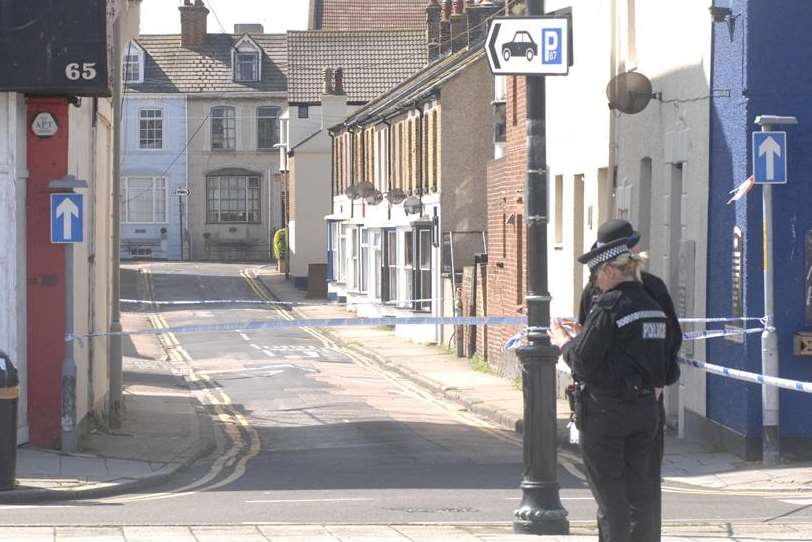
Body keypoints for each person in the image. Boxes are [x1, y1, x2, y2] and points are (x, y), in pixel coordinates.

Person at [549, 237, 670, 542]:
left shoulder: (610, 305)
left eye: (595, 275)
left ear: (611, 271)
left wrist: (563, 341)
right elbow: (664, 362)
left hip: (607, 413)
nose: (594, 282)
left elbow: (582, 361)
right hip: (645, 412)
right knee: (638, 493)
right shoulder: (653, 306)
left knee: (611, 497)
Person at [576, 220, 682, 541]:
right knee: (642, 491)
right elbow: (671, 341)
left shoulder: (604, 295)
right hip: (645, 404)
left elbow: (583, 350)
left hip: (607, 405)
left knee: (612, 496)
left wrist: (569, 345)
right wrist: (659, 381)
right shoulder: (652, 291)